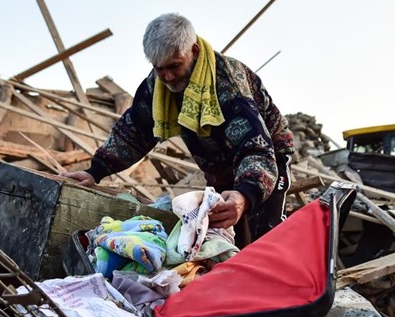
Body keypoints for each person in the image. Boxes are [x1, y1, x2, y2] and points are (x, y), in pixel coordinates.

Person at [63, 13, 295, 247]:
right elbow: (135, 130)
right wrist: (96, 171)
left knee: (264, 238)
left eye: (174, 66)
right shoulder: (157, 86)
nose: (168, 76)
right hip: (219, 166)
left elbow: (256, 149)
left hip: (267, 158)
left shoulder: (227, 88)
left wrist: (245, 195)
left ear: (193, 51)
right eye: (159, 68)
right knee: (227, 238)